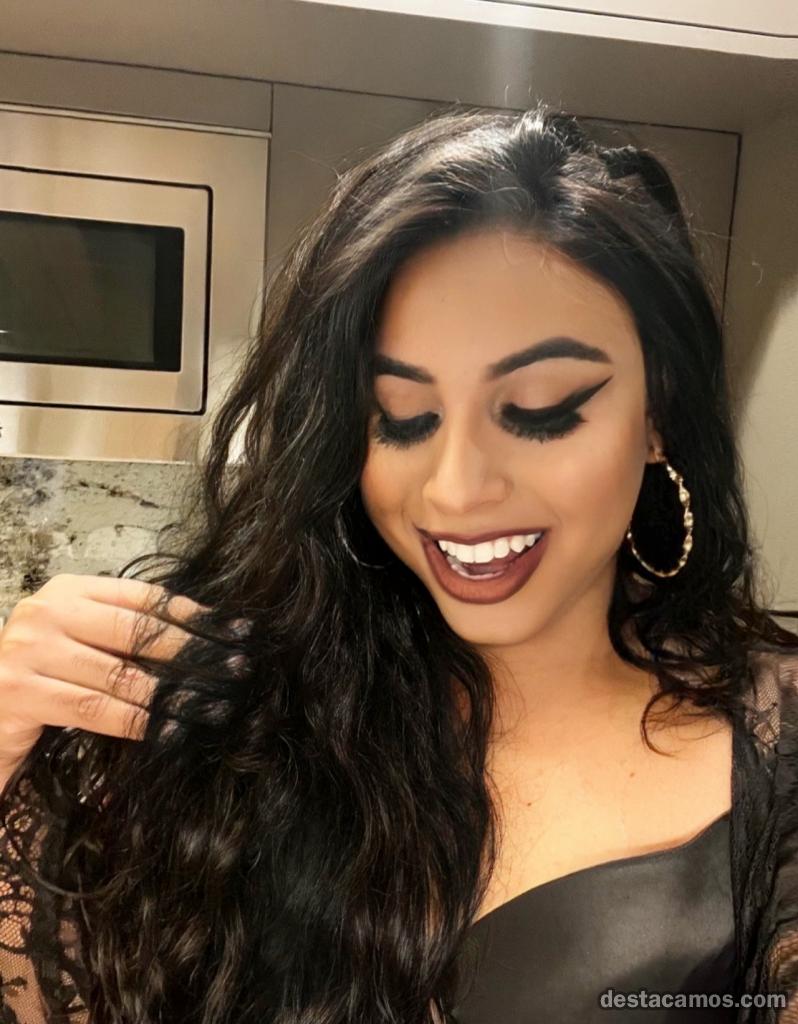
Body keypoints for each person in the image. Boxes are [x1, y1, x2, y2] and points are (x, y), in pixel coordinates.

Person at [1, 102, 797, 1024]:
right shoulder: (235, 712)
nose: (456, 491)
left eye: (541, 408)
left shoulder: (776, 758)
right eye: (404, 420)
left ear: (658, 412)